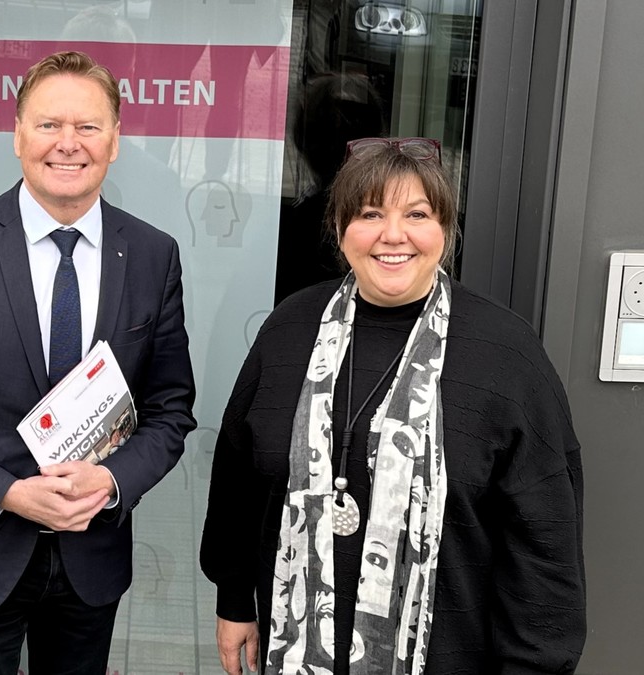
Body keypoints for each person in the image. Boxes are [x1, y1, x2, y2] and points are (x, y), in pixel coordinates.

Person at [200, 138, 585, 674]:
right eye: (370, 213)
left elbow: (544, 542)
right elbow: (237, 478)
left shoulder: (507, 356)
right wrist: (236, 598)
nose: (393, 234)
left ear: (445, 230)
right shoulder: (289, 332)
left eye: (417, 214)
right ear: (340, 231)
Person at [0, 51, 196, 675]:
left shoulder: (154, 255)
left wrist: (112, 482)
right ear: (17, 135)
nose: (68, 144)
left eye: (88, 126)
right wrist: (8, 494)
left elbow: (169, 411)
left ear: (116, 140)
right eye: (48, 125)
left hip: (91, 562)